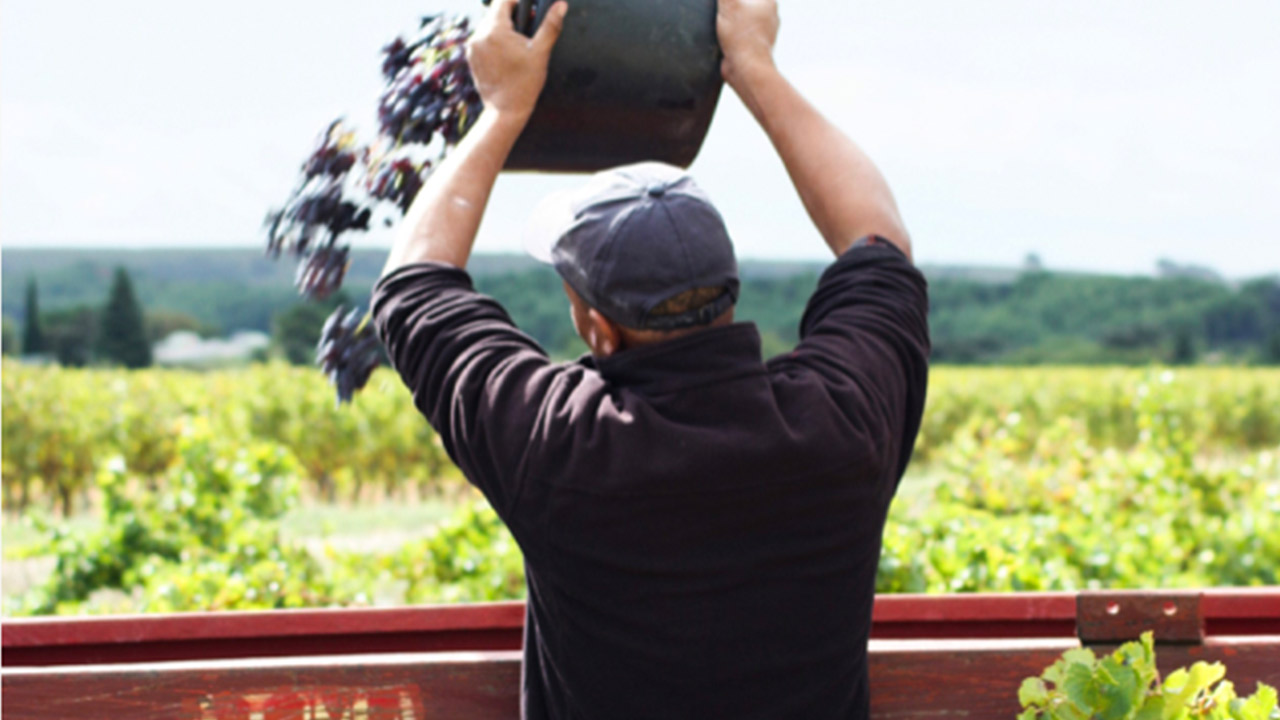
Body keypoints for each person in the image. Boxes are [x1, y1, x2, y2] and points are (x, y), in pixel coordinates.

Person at [372, 0, 929, 716]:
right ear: (728, 291)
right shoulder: (841, 424)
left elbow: (413, 284)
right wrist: (756, 68)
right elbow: (877, 240)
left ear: (598, 329)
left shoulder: (560, 445)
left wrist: (503, 109)